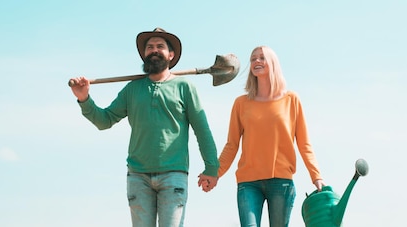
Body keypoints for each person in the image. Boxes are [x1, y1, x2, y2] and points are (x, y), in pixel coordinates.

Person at [69, 27, 220, 227]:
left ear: (171, 55)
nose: (154, 50)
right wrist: (84, 98)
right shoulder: (132, 89)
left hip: (174, 174)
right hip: (138, 177)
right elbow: (104, 121)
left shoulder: (184, 88)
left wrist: (212, 167)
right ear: (144, 54)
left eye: (160, 46)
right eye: (149, 47)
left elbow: (202, 130)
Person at [217, 46, 326, 227]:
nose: (256, 62)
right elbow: (232, 145)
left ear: (273, 64)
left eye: (261, 58)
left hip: (281, 183)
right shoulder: (241, 104)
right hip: (248, 183)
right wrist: (215, 173)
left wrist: (316, 176)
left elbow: (304, 143)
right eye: (253, 59)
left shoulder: (291, 100)